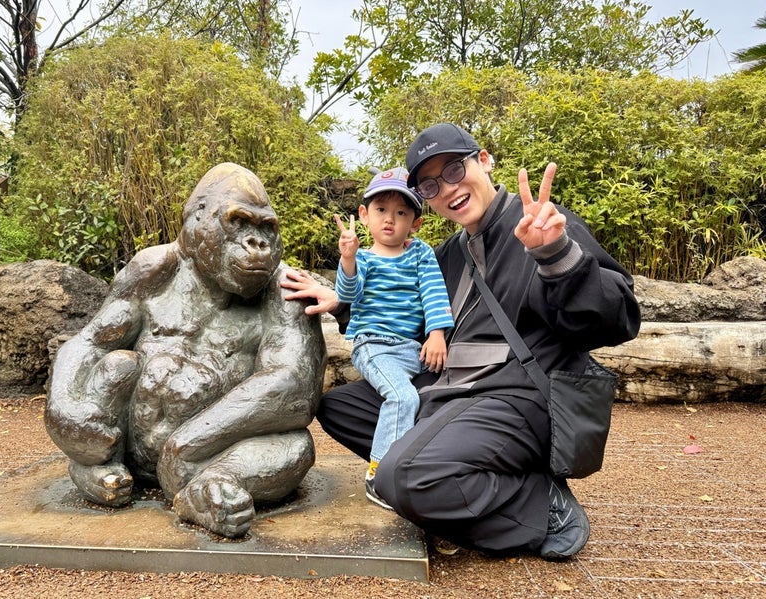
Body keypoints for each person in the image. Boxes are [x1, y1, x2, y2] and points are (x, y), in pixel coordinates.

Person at [283, 123, 640, 560]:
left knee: (403, 477)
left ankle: (538, 506)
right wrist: (341, 305)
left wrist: (556, 256)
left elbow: (618, 321)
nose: (447, 188)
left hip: (518, 398)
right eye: (431, 185)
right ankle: (463, 473)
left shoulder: (538, 223)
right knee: (340, 408)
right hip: (454, 391)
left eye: (454, 169)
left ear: (484, 160)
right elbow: (411, 323)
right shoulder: (449, 253)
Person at [46, 162, 326, 539]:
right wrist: (64, 410)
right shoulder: (153, 270)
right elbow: (89, 342)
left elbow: (294, 387)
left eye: (266, 229)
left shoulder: (285, 290)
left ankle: (211, 487)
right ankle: (94, 463)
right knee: (116, 365)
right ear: (197, 217)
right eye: (239, 222)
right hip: (131, 443)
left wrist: (185, 446)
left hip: (210, 456)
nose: (257, 244)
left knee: (295, 448)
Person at [333, 167, 454, 509]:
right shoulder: (364, 259)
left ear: (415, 223)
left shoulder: (420, 253)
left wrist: (436, 334)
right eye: (381, 210)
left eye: (401, 213)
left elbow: (433, 293)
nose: (390, 219)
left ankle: (427, 468)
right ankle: (379, 476)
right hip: (373, 345)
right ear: (364, 214)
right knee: (402, 398)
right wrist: (348, 258)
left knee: (432, 400)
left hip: (412, 349)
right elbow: (348, 294)